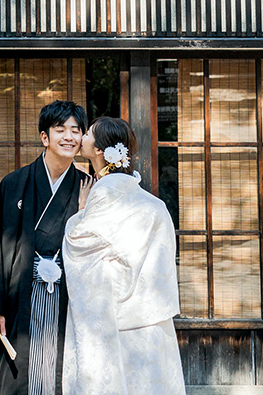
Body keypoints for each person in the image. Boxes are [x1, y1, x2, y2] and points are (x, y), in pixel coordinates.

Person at [0, 100, 94, 395]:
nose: (69, 137)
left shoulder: (88, 186)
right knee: (20, 379)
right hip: (20, 300)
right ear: (45, 137)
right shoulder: (14, 184)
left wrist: (82, 218)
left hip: (68, 299)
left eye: (75, 131)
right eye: (60, 130)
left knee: (61, 376)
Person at [61, 116, 185, 395]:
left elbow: (78, 243)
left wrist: (80, 214)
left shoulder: (105, 194)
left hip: (114, 315)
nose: (81, 136)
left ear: (99, 151)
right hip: (148, 315)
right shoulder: (152, 203)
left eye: (88, 133)